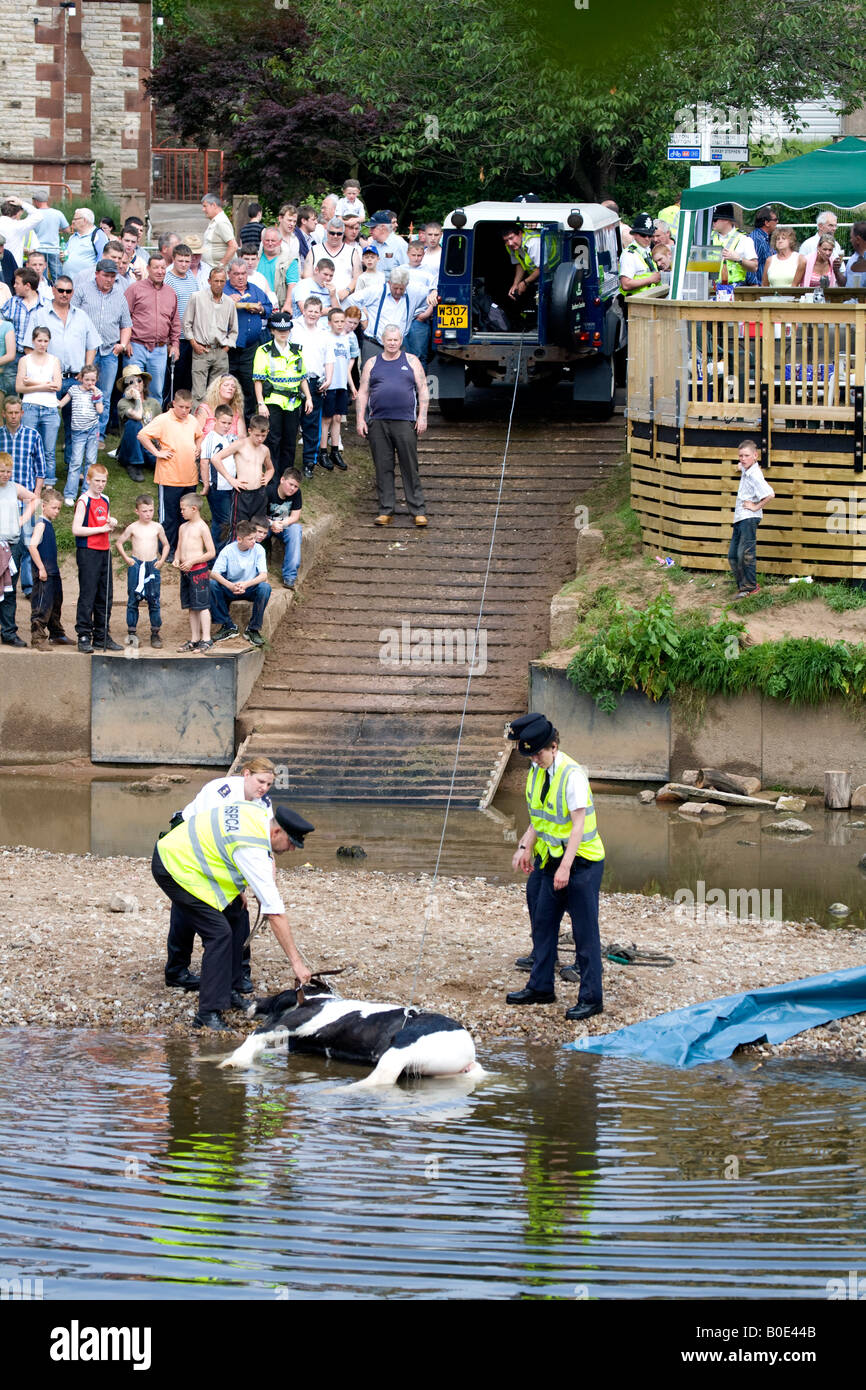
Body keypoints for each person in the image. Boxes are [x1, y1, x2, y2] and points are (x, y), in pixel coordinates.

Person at [152, 799, 315, 1030]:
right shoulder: (252, 847)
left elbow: (221, 841)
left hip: (195, 863)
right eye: (291, 842)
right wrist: (296, 964)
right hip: (174, 866)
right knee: (218, 934)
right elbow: (275, 913)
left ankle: (229, 990)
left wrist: (238, 889)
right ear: (276, 831)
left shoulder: (257, 814)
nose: (292, 849)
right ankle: (207, 1014)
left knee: (238, 916)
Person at [504, 713, 605, 1021]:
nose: (535, 759)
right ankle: (541, 987)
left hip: (582, 862)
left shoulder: (572, 774)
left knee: (585, 934)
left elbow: (576, 827)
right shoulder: (537, 770)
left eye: (539, 753)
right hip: (551, 860)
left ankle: (591, 999)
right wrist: (525, 845)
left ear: (554, 746)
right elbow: (540, 818)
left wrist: (566, 867)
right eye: (530, 754)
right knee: (543, 924)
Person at [162, 755, 278, 994]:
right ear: (246, 774)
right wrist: (239, 889)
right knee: (187, 906)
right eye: (260, 781)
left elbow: (263, 846)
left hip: (220, 851)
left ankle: (240, 973)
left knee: (238, 911)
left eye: (269, 784)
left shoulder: (263, 804)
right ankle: (177, 971)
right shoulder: (221, 791)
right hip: (189, 843)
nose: (263, 788)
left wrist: (266, 889)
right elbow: (212, 838)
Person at [355, 324, 428, 526]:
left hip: (405, 422)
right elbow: (363, 392)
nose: (393, 343)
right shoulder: (372, 363)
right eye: (389, 340)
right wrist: (360, 419)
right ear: (383, 340)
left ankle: (418, 510)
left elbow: (422, 389)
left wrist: (422, 416)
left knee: (410, 466)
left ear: (401, 340)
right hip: (378, 422)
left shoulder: (411, 361)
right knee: (383, 467)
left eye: (396, 340)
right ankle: (386, 509)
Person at [71, 258, 133, 443]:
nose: (109, 279)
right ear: (97, 274)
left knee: (103, 394)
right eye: (105, 275)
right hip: (86, 350)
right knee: (82, 390)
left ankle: (98, 435)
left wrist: (122, 344)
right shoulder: (82, 290)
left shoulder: (119, 296)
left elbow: (126, 325)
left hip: (109, 351)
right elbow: (71, 316)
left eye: (112, 276)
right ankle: (77, 432)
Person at [137, 388, 203, 559]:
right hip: (169, 478)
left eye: (188, 408)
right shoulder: (163, 419)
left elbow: (200, 435)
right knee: (169, 518)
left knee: (187, 517)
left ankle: (185, 549)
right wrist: (157, 453)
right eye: (181, 407)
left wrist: (198, 446)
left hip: (190, 477)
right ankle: (167, 551)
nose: (185, 411)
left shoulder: (192, 420)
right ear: (174, 404)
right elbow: (142, 435)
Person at [253, 310, 313, 475]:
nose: (282, 333)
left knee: (290, 440)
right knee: (273, 440)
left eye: (285, 330)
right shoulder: (263, 351)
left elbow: (302, 378)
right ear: (272, 331)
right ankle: (273, 475)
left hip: (293, 403)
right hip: (273, 401)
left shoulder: (296, 351)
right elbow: (258, 381)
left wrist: (308, 398)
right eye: (279, 330)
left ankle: (287, 476)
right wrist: (261, 403)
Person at [71, 462, 121, 653]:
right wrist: (101, 529)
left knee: (105, 594)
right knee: (88, 594)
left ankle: (102, 635)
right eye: (97, 481)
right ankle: (84, 635)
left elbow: (105, 520)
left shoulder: (105, 499)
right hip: (88, 551)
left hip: (104, 549)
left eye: (104, 481)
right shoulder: (84, 500)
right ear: (89, 480)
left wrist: (111, 522)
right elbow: (76, 529)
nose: (101, 484)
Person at [0, 393, 46, 595]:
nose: (13, 416)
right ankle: (5, 584)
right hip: (4, 499)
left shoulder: (33, 435)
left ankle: (27, 586)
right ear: (3, 414)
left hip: (26, 497)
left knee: (28, 543)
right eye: (9, 413)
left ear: (22, 413)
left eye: (16, 412)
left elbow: (41, 468)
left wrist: (36, 494)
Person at [348, 266, 437, 363]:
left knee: (398, 376)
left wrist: (434, 292)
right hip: (374, 344)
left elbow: (433, 292)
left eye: (401, 289)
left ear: (406, 284)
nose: (398, 291)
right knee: (370, 375)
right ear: (389, 283)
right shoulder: (376, 290)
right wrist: (363, 319)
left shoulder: (414, 292)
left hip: (398, 346)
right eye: (395, 288)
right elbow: (352, 299)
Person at [124, 253, 181, 403]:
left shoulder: (170, 293)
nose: (160, 271)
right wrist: (126, 342)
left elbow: (175, 321)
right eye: (156, 267)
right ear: (148, 269)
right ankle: (133, 426)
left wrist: (175, 345)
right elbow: (124, 317)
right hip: (136, 347)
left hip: (159, 350)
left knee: (156, 392)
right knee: (132, 391)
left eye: (163, 268)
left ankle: (153, 425)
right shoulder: (134, 289)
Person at [116, 493, 169, 648]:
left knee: (154, 600)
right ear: (137, 511)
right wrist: (127, 559)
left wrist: (162, 560)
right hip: (137, 565)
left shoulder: (157, 527)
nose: (148, 514)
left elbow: (166, 544)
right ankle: (132, 633)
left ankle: (155, 633)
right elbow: (119, 543)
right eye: (144, 511)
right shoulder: (133, 527)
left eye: (151, 510)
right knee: (133, 600)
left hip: (152, 566)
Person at [210, 518, 272, 647]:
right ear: (239, 539)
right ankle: (228, 626)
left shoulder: (259, 549)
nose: (254, 541)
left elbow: (263, 575)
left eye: (255, 538)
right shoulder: (228, 550)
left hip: (249, 588)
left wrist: (246, 584)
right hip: (231, 587)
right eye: (250, 539)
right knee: (212, 585)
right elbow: (214, 573)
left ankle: (253, 629)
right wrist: (230, 586)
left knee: (265, 588)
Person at [289, 295, 333, 476]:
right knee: (290, 422)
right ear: (304, 310)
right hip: (292, 380)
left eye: (317, 311)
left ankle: (309, 462)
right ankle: (287, 462)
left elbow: (329, 359)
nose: (313, 314)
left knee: (311, 423)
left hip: (315, 381)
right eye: (310, 311)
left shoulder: (324, 332)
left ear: (320, 313)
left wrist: (329, 379)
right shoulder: (293, 327)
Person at [207, 414, 274, 531]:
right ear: (249, 431)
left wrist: (267, 477)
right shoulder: (241, 444)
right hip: (243, 493)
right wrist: (231, 479)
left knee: (258, 527)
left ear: (268, 432)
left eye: (263, 435)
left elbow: (270, 468)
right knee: (240, 527)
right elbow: (215, 458)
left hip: (260, 494)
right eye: (257, 435)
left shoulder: (264, 449)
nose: (260, 439)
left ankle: (255, 548)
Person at [224, 257, 271, 419]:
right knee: (228, 385)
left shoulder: (255, 289)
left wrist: (259, 310)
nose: (240, 277)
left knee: (249, 385)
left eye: (243, 273)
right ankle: (228, 421)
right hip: (229, 347)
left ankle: (248, 420)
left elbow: (268, 308)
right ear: (229, 274)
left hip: (251, 347)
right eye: (236, 273)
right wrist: (227, 302)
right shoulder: (223, 291)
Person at [182, 267, 239, 402]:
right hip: (201, 348)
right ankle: (198, 421)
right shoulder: (197, 297)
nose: (219, 284)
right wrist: (194, 344)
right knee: (198, 392)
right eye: (216, 281)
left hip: (220, 350)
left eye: (222, 281)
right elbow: (186, 323)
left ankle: (214, 421)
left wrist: (226, 348)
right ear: (209, 281)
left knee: (219, 393)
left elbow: (234, 330)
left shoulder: (229, 303)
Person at [0, 449, 38, 647]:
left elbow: (34, 499)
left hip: (12, 544)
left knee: (9, 589)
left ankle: (8, 632)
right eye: (1, 471)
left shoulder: (14, 487)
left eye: (8, 471)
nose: (5, 474)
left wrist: (22, 520)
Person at [15, 325, 61, 486]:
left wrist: (33, 382)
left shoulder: (54, 360)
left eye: (45, 341)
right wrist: (43, 386)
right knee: (28, 447)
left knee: (48, 450)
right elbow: (19, 387)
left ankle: (48, 483)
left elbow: (57, 386)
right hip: (29, 406)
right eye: (39, 340)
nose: (42, 344)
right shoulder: (24, 360)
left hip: (49, 408)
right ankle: (26, 481)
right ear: (33, 341)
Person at [729, 439, 774, 599]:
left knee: (745, 554)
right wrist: (740, 466)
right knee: (733, 555)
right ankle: (743, 587)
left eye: (746, 456)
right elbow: (741, 466)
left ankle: (750, 587)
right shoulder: (746, 469)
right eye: (740, 455)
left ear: (755, 456)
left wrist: (756, 506)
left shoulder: (755, 474)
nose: (742, 458)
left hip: (749, 518)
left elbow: (770, 494)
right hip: (740, 517)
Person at [27, 486, 70, 648]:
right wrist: (41, 568)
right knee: (42, 604)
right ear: (43, 506)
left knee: (56, 601)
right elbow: (32, 546)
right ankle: (38, 638)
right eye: (54, 508)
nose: (57, 511)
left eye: (59, 508)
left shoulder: (48, 523)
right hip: (44, 571)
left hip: (53, 571)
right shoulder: (41, 524)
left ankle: (57, 633)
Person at [174, 492, 216, 653]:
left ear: (194, 508)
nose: (181, 512)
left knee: (202, 605)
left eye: (183, 509)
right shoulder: (182, 527)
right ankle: (194, 638)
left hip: (198, 571)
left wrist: (192, 561)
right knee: (191, 606)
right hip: (185, 572)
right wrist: (177, 559)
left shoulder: (202, 527)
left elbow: (211, 552)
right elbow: (178, 548)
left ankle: (206, 638)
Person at [57, 362, 103, 504]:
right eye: (87, 379)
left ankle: (86, 492)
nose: (90, 383)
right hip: (77, 432)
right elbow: (61, 403)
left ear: (96, 380)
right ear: (81, 378)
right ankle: (70, 494)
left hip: (92, 431)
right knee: (76, 462)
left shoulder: (97, 393)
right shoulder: (74, 390)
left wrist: (96, 396)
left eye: (93, 380)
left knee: (90, 461)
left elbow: (100, 410)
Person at [320, 307, 358, 469]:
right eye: (336, 321)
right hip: (330, 385)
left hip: (342, 384)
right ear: (330, 323)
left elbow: (346, 366)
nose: (340, 324)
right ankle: (322, 451)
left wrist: (352, 386)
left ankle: (335, 450)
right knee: (326, 418)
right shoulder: (325, 338)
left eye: (342, 321)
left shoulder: (346, 339)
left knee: (337, 418)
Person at [115, 363, 162, 482]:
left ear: (144, 382)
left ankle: (146, 460)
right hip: (129, 448)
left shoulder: (154, 403)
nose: (136, 384)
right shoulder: (123, 403)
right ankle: (134, 464)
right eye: (131, 382)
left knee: (167, 463)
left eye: (139, 380)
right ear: (126, 387)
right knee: (134, 423)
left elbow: (161, 428)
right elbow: (138, 416)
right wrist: (137, 399)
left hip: (149, 446)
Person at [200, 402, 238, 549]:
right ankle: (214, 556)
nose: (226, 426)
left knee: (225, 521)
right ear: (215, 420)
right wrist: (206, 484)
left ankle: (218, 554)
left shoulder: (228, 439)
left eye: (229, 423)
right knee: (223, 522)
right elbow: (204, 462)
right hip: (217, 487)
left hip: (229, 486)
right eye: (223, 422)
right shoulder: (211, 438)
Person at [267, 466, 303, 588]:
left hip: (283, 525)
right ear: (282, 480)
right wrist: (272, 524)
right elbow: (258, 515)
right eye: (290, 484)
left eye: (296, 486)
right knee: (253, 531)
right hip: (266, 524)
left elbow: (295, 516)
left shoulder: (297, 494)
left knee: (296, 529)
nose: (293, 489)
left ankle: (289, 577)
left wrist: (282, 524)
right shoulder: (269, 491)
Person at [710, 203, 758, 286]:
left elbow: (754, 267)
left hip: (735, 289)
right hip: (711, 289)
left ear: (726, 220)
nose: (712, 222)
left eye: (715, 219)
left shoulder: (744, 239)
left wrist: (738, 259)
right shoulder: (708, 237)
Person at [618, 212, 663, 297]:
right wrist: (650, 279)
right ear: (634, 234)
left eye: (650, 235)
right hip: (635, 304)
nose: (647, 238)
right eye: (643, 235)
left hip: (648, 301)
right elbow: (625, 284)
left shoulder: (646, 251)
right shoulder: (629, 255)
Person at [31, 190, 71, 282]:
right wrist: (57, 228)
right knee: (58, 277)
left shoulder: (34, 214)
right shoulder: (57, 213)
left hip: (39, 249)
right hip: (54, 249)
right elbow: (67, 230)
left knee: (41, 278)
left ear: (36, 201)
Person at [502, 223, 540, 309]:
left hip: (552, 274)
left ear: (520, 233)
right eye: (506, 240)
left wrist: (525, 282)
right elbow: (520, 264)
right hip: (535, 276)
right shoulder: (510, 246)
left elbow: (542, 269)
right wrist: (515, 284)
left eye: (511, 238)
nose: (510, 243)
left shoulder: (533, 243)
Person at [62, 207, 108, 278]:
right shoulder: (73, 237)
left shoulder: (98, 236)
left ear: (84, 220)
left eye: (75, 219)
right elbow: (64, 255)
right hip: (68, 283)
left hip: (86, 283)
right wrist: (62, 257)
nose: (72, 222)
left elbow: (102, 260)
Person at [201, 193, 238, 272]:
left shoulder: (221, 222)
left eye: (205, 206)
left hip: (221, 274)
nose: (203, 210)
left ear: (214, 205)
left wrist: (220, 266)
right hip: (213, 270)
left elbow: (233, 246)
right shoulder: (215, 221)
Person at [366, 210, 408, 280]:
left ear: (382, 227)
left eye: (373, 228)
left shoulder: (400, 244)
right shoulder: (373, 244)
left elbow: (407, 272)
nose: (370, 231)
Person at [751, 207, 778, 284]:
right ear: (767, 223)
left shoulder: (766, 238)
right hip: (759, 288)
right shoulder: (756, 239)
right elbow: (751, 265)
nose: (777, 222)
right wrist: (754, 285)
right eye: (775, 220)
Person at [844, 221, 866, 291]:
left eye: (851, 238)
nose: (850, 240)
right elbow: (845, 283)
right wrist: (836, 271)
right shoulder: (853, 258)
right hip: (849, 300)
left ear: (858, 240)